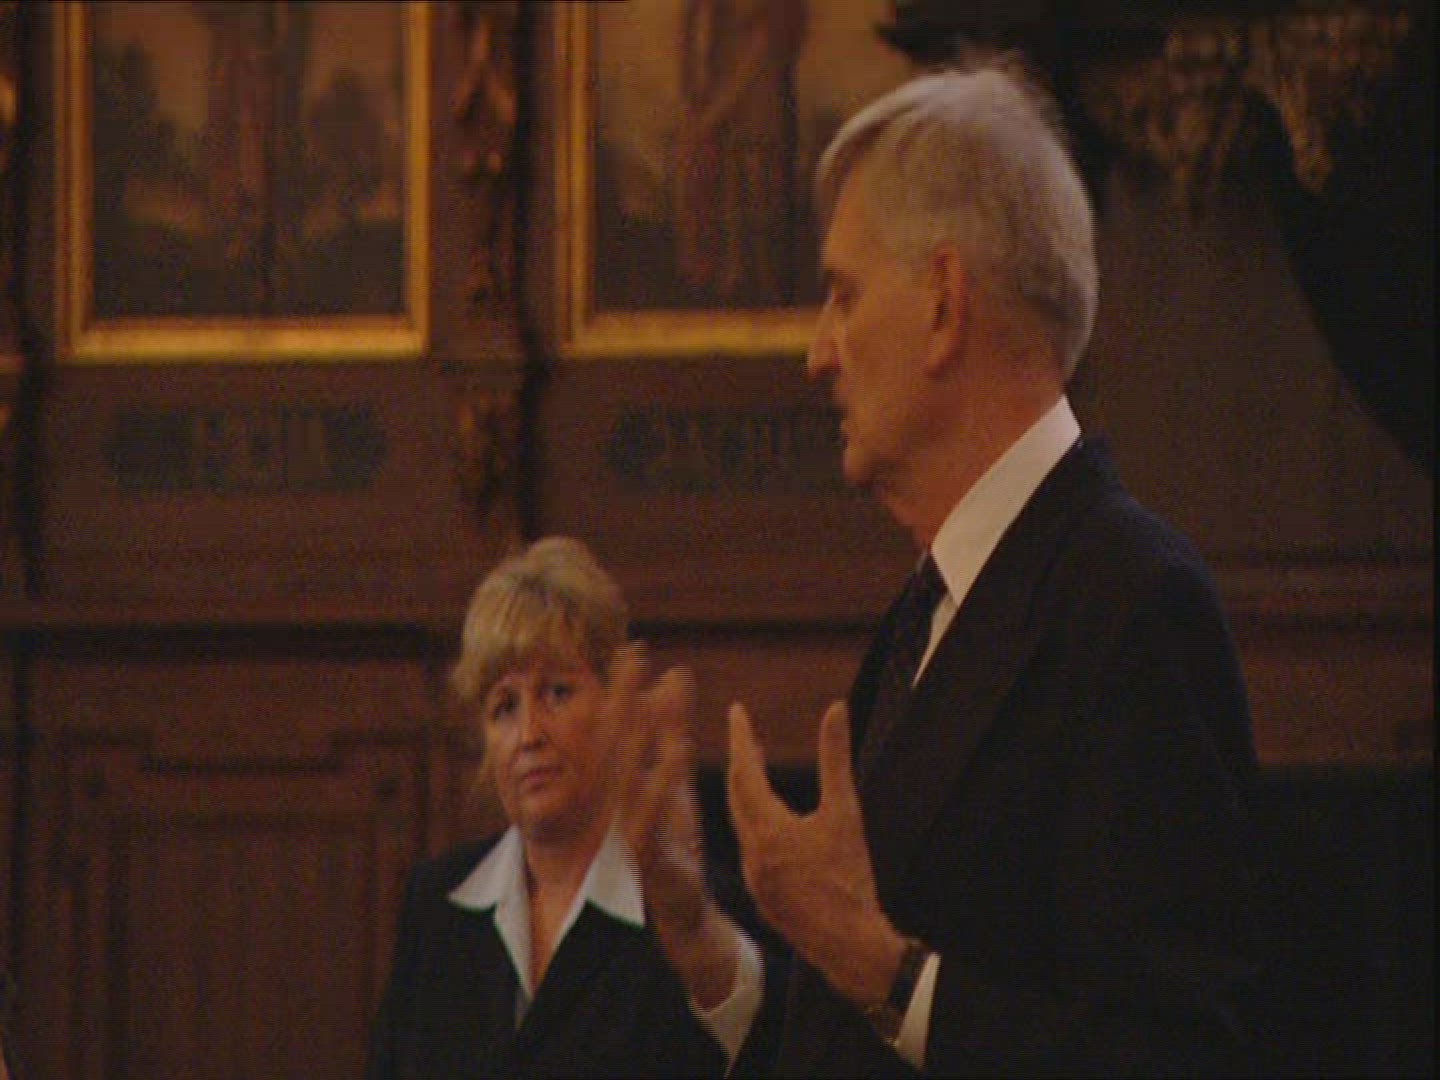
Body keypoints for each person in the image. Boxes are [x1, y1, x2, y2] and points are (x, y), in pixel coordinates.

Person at [614, 58, 1258, 1077]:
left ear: (945, 304)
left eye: (843, 294)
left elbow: (1173, 1055)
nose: (817, 353)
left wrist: (881, 967)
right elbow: (854, 1033)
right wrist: (700, 935)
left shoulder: (1134, 603)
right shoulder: (933, 606)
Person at [366, 537, 770, 1078]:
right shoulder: (435, 904)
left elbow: (766, 1052)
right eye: (504, 707)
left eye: (556, 692)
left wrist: (695, 933)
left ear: (615, 704)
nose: (529, 733)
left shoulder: (695, 911)